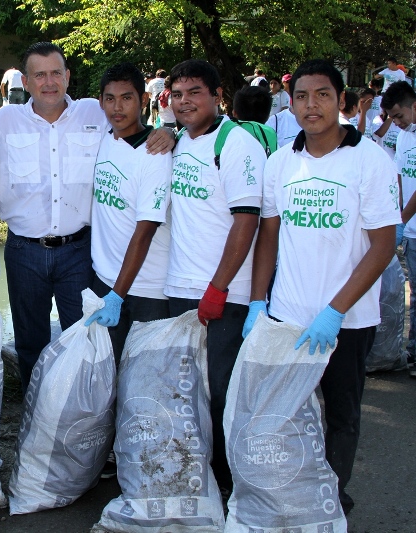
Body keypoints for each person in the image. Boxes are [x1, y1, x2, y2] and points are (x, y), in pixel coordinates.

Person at [0, 42, 175, 391]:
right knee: (29, 340)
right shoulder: (0, 123)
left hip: (78, 251)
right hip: (24, 251)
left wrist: (169, 132)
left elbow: (135, 128)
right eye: (39, 75)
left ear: (67, 76)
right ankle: (38, 415)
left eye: (55, 73)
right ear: (25, 82)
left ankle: (79, 412)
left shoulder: (95, 113)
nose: (49, 82)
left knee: (84, 336)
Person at [246, 59, 400, 515]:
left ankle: (331, 500)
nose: (311, 106)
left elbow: (383, 245)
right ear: (289, 103)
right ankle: (291, 495)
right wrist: (258, 302)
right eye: (301, 97)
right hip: (288, 317)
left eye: (323, 95)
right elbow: (268, 235)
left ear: (342, 100)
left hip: (347, 322)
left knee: (342, 415)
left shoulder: (370, 159)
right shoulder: (280, 162)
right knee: (285, 413)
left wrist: (335, 311)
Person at [166, 59, 267, 493]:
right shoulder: (178, 142)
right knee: (190, 394)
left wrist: (219, 288)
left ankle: (230, 482)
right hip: (180, 289)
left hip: (224, 293)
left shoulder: (237, 142)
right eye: (177, 94)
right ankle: (199, 475)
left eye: (194, 93)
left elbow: (247, 221)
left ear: (217, 96)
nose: (184, 101)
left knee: (223, 393)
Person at [86, 62, 173, 362]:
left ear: (144, 100)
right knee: (103, 379)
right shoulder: (103, 141)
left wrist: (117, 296)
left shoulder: (155, 153)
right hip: (104, 280)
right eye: (110, 98)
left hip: (145, 291)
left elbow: (145, 231)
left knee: (144, 387)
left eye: (127, 98)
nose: (117, 107)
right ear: (100, 102)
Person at [381, 81, 416, 375]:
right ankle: (413, 350)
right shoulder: (404, 137)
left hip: (410, 222)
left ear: (413, 105)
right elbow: (401, 178)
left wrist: (402, 218)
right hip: (411, 228)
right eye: (392, 117)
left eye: (399, 115)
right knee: (413, 293)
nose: (396, 122)